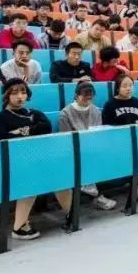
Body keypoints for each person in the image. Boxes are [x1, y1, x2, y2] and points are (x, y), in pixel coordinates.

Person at [0, 79, 70, 240]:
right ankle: (19, 227)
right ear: (6, 96)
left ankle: (71, 214)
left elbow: (45, 128)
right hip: (14, 161)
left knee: (61, 177)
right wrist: (30, 130)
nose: (20, 96)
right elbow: (3, 138)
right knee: (30, 180)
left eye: (23, 92)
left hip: (40, 157)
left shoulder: (35, 113)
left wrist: (19, 132)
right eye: (15, 93)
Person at [58, 82, 116, 210]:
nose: (88, 99)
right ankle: (96, 194)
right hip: (74, 149)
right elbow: (65, 139)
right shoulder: (65, 113)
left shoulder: (95, 110)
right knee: (86, 159)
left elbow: (97, 133)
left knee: (102, 156)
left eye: (91, 96)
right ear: (76, 96)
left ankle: (93, 190)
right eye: (85, 96)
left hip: (92, 147)